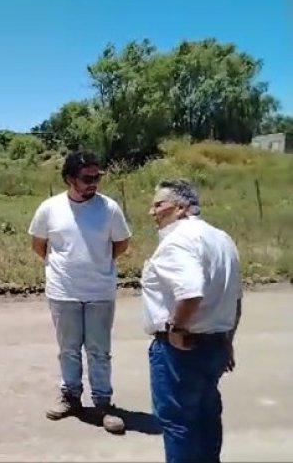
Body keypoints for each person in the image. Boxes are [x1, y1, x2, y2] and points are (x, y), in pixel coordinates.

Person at [27, 150, 132, 434]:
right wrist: (62, 267)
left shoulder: (109, 208)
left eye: (97, 177)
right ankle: (71, 398)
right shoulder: (50, 208)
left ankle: (103, 405)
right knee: (69, 350)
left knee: (99, 351)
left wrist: (97, 264)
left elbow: (120, 244)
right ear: (69, 179)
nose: (93, 183)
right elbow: (39, 244)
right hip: (63, 291)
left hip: (100, 290)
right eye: (87, 178)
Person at [140, 178, 242, 463]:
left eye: (159, 204)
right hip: (215, 344)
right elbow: (235, 298)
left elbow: (190, 292)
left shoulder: (178, 240)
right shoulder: (220, 237)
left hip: (182, 348)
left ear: (182, 208)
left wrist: (176, 328)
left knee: (178, 423)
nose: (152, 212)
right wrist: (228, 340)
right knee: (206, 417)